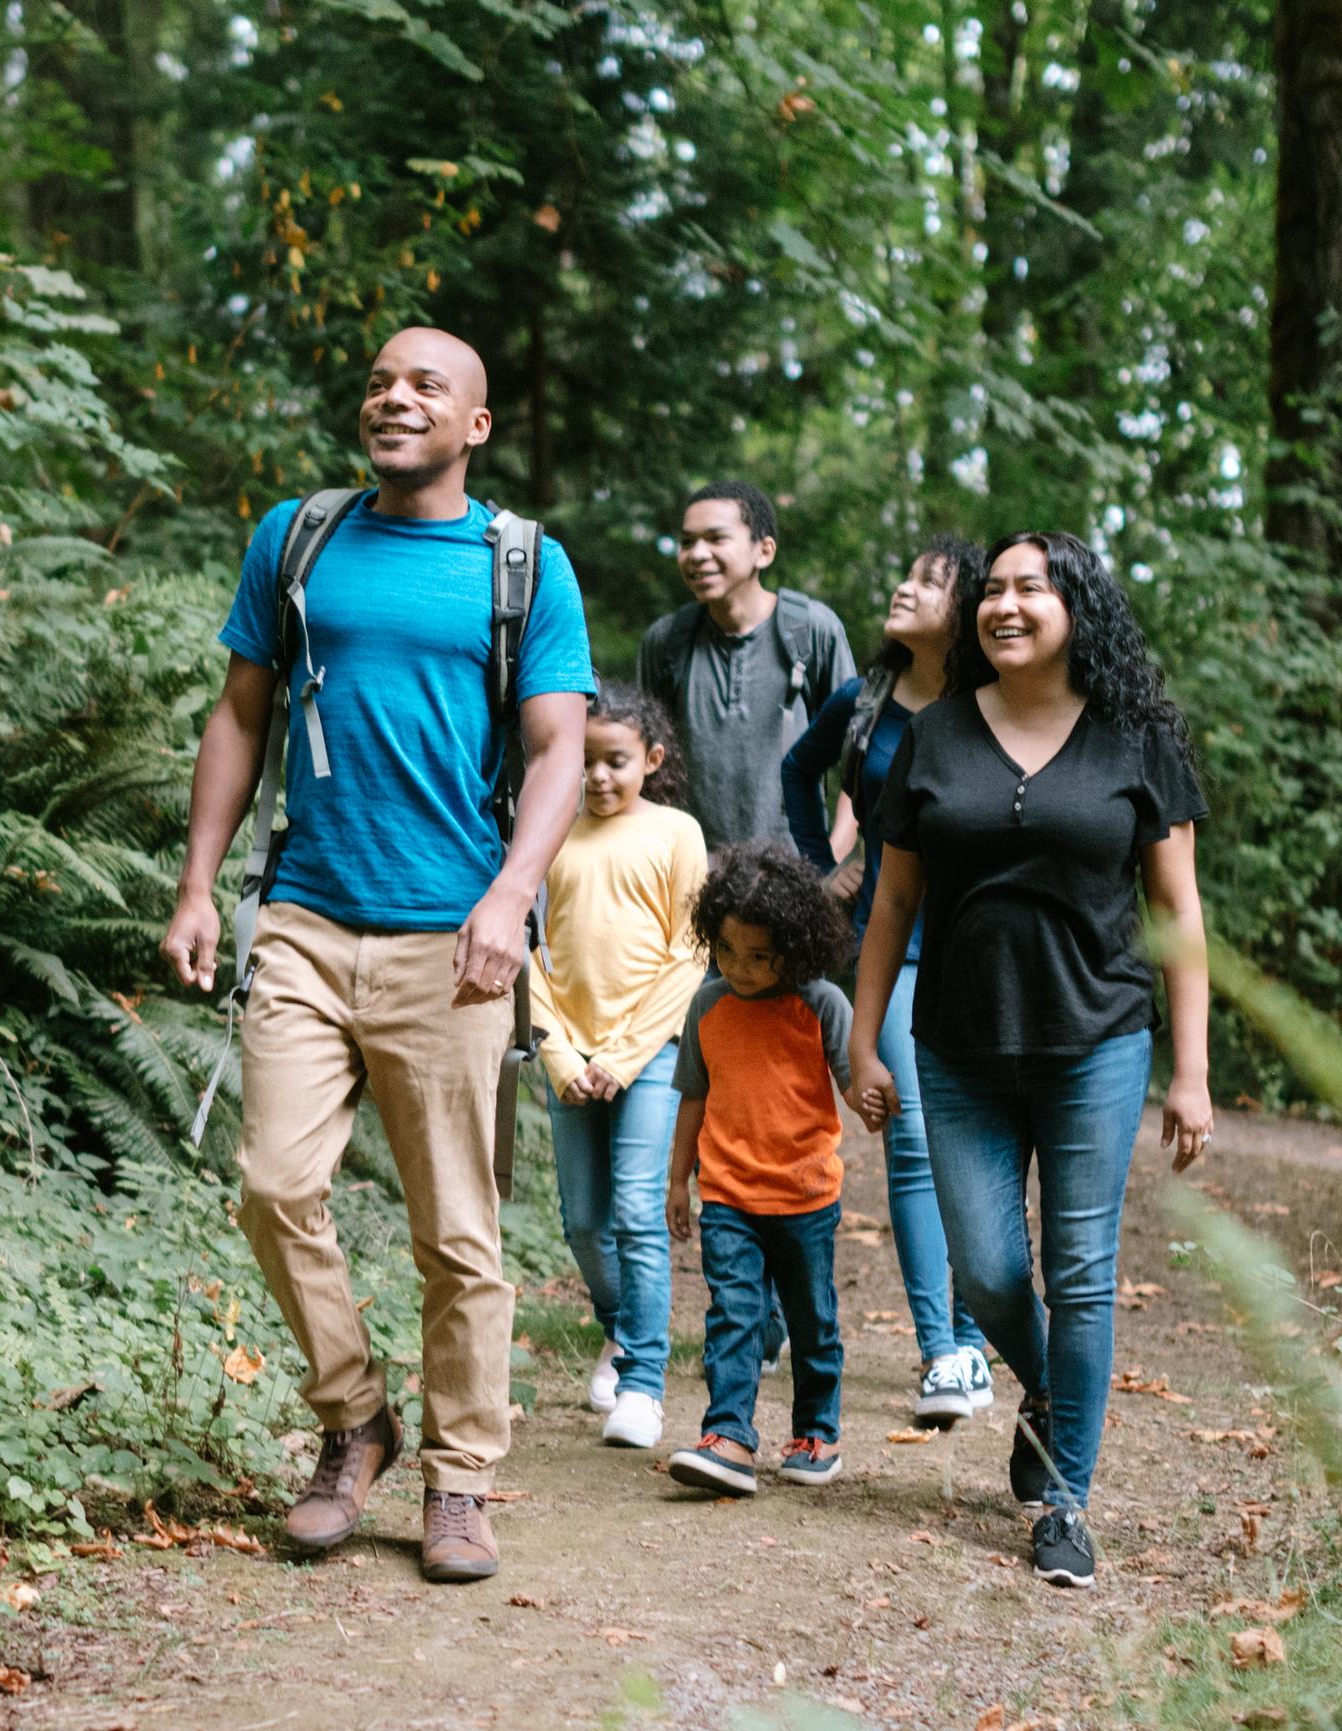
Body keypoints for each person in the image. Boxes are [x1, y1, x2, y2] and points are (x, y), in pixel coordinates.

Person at [159, 328, 594, 1584]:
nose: (394, 398)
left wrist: (512, 897)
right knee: (272, 1185)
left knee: (458, 1236)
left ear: (477, 426)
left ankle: (462, 1480)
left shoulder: (524, 566)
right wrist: (198, 886)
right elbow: (243, 711)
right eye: (380, 382)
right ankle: (355, 1420)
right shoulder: (299, 538)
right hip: (304, 917)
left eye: (427, 387)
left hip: (452, 940)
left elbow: (559, 748)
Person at [849, 530, 1213, 1593]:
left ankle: (1066, 1503)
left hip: (1096, 1040)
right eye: (992, 592)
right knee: (989, 1271)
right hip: (957, 1044)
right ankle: (1053, 1391)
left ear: (1076, 608)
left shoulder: (1137, 738)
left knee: (1084, 1273)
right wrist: (864, 1040)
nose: (1005, 606)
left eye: (1031, 589)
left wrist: (1188, 1072)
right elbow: (894, 903)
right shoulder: (935, 735)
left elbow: (1179, 914)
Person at [780, 535, 998, 1434]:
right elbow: (800, 771)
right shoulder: (867, 699)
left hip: (984, 946)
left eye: (926, 581)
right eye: (903, 573)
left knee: (984, 1141)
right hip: (890, 940)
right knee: (908, 1131)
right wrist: (815, 869)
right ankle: (942, 1346)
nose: (903, 588)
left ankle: (982, 1333)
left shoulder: (995, 702)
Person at [530, 680, 707, 1454]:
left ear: (652, 759)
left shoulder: (676, 833)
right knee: (583, 1221)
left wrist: (626, 1057)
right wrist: (562, 1052)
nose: (599, 777)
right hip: (566, 1055)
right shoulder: (548, 832)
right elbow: (525, 950)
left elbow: (689, 950)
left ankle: (643, 1386)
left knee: (638, 1214)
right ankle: (624, 1332)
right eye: (587, 762)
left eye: (617, 762)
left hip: (650, 1056)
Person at [662, 846, 857, 1498]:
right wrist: (675, 1181)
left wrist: (882, 1103)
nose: (739, 969)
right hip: (727, 1196)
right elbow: (693, 1095)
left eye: (759, 956)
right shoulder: (708, 1006)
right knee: (734, 1314)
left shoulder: (822, 1004)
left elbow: (858, 1083)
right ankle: (729, 1436)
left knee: (811, 1319)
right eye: (726, 951)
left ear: (795, 948)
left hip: (804, 1195)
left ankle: (816, 1432)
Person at [635, 481, 855, 849]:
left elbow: (859, 755)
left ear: (764, 551)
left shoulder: (812, 630)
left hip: (793, 871)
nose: (696, 554)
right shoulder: (666, 641)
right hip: (692, 871)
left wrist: (829, 861)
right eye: (687, 542)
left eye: (716, 539)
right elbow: (638, 764)